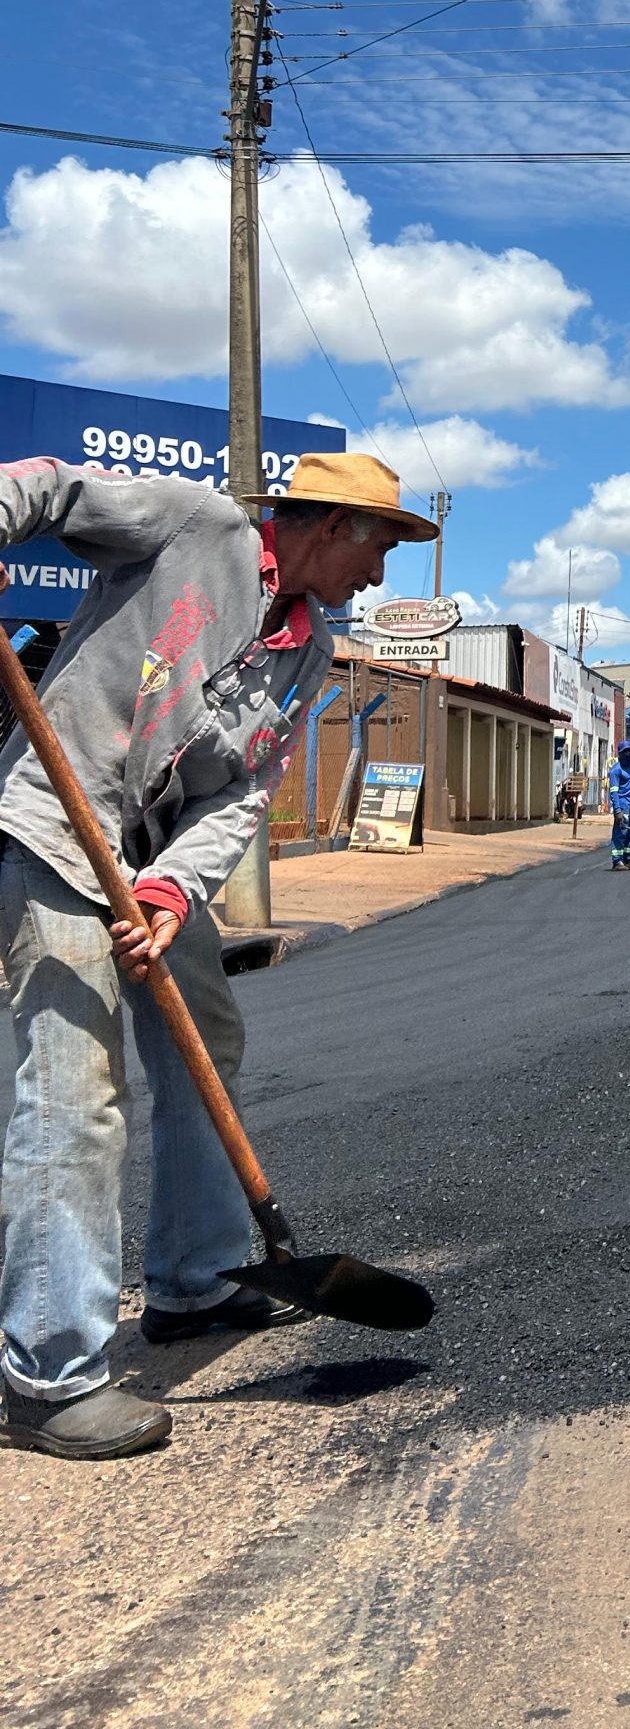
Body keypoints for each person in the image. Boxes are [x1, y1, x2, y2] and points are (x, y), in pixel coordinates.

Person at [0, 450, 434, 1462]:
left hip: (149, 863)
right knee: (75, 1093)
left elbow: (238, 795)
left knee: (208, 1049)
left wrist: (166, 894)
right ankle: (46, 1371)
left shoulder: (308, 649)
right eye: (381, 546)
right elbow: (55, 490)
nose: (382, 573)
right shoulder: (194, 526)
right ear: (329, 527)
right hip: (54, 831)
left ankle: (194, 1285)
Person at [606, 742, 630, 867]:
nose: (628, 754)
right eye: (625, 751)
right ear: (619, 754)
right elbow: (613, 792)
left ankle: (628, 860)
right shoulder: (616, 770)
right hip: (623, 805)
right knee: (620, 834)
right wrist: (617, 810)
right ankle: (617, 861)